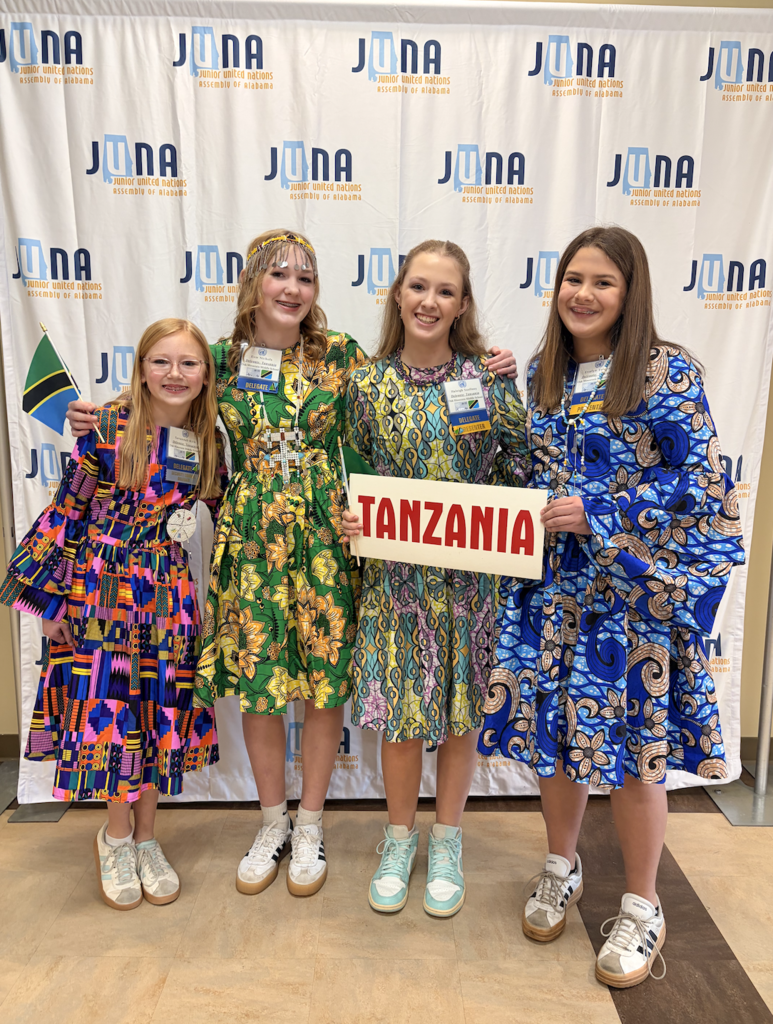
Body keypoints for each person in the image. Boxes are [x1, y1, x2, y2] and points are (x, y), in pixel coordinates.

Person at [67, 229, 518, 899]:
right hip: (249, 541)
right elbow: (164, 398)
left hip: (327, 538)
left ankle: (311, 823)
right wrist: (102, 415)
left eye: (304, 278)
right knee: (260, 679)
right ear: (252, 282)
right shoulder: (218, 358)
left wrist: (492, 364)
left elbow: (396, 417)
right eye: (278, 275)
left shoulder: (341, 357)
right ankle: (271, 821)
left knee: (323, 679)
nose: (291, 288)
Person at [478, 226, 745, 986]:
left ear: (629, 293)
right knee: (556, 742)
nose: (582, 294)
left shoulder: (667, 372)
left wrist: (595, 509)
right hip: (555, 596)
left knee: (634, 758)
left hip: (632, 603)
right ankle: (559, 865)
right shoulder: (540, 376)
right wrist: (497, 395)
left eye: (601, 281)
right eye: (571, 278)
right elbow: (517, 471)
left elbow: (701, 487)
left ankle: (640, 903)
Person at [2, 318, 224, 910]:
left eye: (188, 364)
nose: (174, 374)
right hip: (103, 591)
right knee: (112, 716)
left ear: (206, 376)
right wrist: (48, 600)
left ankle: (149, 839)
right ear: (141, 368)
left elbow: (227, 510)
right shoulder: (107, 427)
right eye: (161, 362)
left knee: (157, 714)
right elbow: (66, 510)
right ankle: (116, 837)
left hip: (170, 593)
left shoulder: (208, 442)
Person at [342, 239, 529, 918]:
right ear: (398, 294)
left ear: (461, 304)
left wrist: (507, 385)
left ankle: (446, 839)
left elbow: (518, 468)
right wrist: (351, 519)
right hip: (395, 582)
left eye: (444, 291)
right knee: (398, 716)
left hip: (470, 584)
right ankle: (399, 838)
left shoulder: (486, 379)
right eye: (418, 287)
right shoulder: (365, 384)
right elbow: (352, 476)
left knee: (459, 717)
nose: (429, 301)